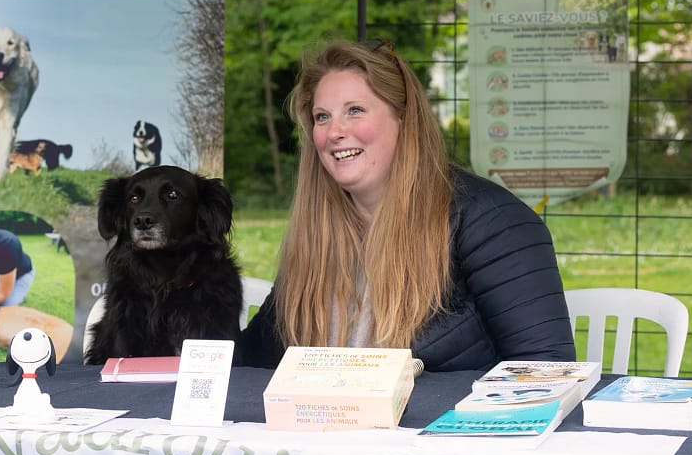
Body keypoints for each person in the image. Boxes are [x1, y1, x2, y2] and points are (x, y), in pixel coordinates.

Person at [241, 39, 575, 371]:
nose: (334, 132)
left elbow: (546, 372)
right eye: (322, 117)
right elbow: (247, 362)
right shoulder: (317, 234)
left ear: (403, 117)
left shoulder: (493, 223)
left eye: (355, 110)